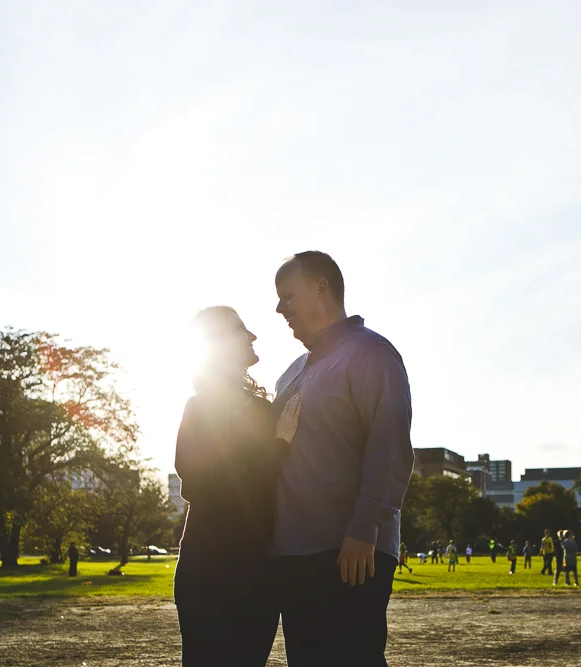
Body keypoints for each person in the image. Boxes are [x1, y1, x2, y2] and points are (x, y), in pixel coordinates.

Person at [271, 252, 415, 666]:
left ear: (321, 287)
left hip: (350, 551)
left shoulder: (371, 352)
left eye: (287, 295)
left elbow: (389, 445)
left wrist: (363, 528)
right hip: (292, 553)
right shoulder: (290, 373)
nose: (279, 308)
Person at [173, 306, 289, 666]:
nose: (252, 336)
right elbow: (197, 482)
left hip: (259, 569)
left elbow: (264, 485)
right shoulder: (199, 408)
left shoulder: (265, 411)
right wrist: (280, 446)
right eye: (241, 330)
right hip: (209, 566)